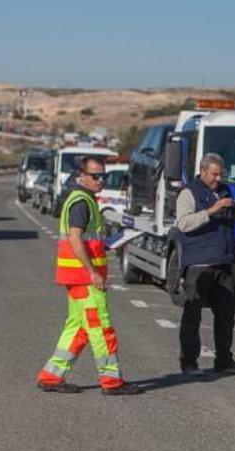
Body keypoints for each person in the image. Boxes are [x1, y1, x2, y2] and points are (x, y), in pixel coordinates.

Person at [37, 156, 141, 395]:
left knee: (78, 328)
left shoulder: (86, 201)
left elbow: (85, 240)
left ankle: (51, 376)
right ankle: (112, 382)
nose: (100, 180)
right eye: (95, 176)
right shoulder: (82, 202)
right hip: (84, 279)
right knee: (102, 328)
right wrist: (92, 272)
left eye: (103, 176)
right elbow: (75, 238)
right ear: (81, 176)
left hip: (76, 278)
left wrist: (106, 245)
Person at [176, 153, 235, 376]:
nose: (218, 179)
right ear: (203, 171)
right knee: (193, 314)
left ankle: (224, 360)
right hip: (198, 263)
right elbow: (183, 224)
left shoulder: (225, 190)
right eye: (214, 174)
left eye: (220, 174)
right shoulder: (189, 192)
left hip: (224, 262)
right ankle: (189, 362)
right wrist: (211, 210)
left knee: (226, 315)